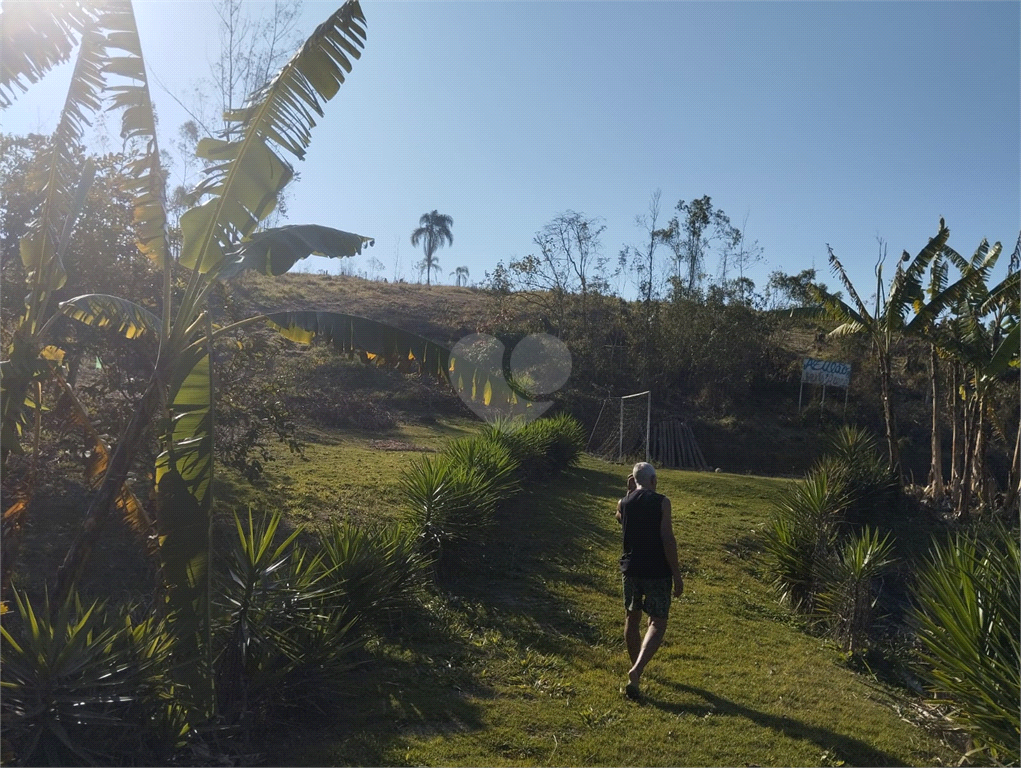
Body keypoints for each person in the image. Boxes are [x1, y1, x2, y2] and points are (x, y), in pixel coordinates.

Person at [615, 461, 683, 699]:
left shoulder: (624, 502)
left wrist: (628, 492)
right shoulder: (662, 502)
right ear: (653, 480)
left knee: (631, 618)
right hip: (657, 571)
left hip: (631, 569)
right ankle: (637, 670)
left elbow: (620, 518)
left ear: (634, 480)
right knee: (657, 622)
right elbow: (668, 539)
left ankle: (636, 669)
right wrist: (677, 574)